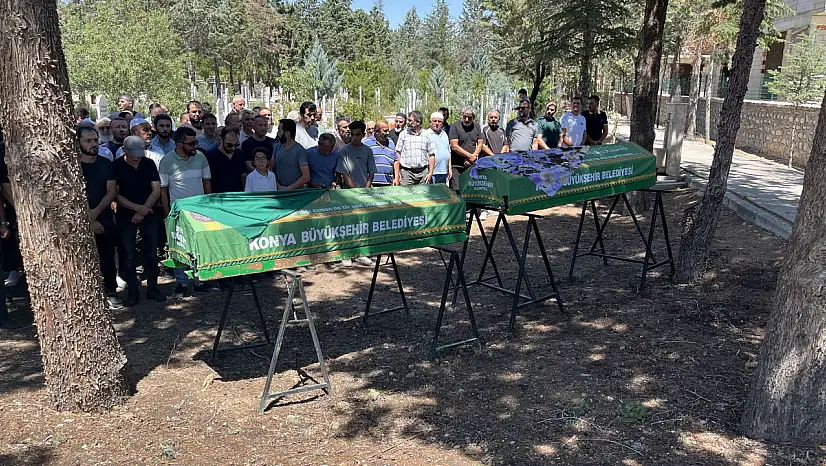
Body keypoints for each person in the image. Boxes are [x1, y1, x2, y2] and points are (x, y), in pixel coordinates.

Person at [159, 127, 216, 298]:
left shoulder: (200, 157)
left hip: (199, 211)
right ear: (178, 144)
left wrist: (209, 207)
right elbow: (163, 190)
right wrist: (167, 214)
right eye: (191, 144)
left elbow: (207, 182)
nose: (194, 147)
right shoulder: (167, 161)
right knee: (179, 246)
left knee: (199, 246)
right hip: (178, 211)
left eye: (195, 143)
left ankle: (200, 281)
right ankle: (181, 283)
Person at [113, 136, 166, 306]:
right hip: (126, 215)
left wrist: (143, 210)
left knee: (151, 253)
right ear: (125, 150)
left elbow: (156, 190)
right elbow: (115, 194)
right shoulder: (117, 166)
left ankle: (153, 288)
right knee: (128, 254)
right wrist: (138, 209)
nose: (137, 156)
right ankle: (133, 291)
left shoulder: (149, 164)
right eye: (133, 153)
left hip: (149, 213)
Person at [77, 126, 124, 310]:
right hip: (79, 219)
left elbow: (111, 191)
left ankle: (111, 292)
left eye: (95, 140)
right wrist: (89, 219)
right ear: (78, 142)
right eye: (88, 141)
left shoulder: (106, 163)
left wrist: (95, 214)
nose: (93, 144)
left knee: (107, 257)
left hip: (103, 218)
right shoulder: (73, 166)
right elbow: (74, 194)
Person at [335, 120, 375, 266]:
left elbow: (371, 171)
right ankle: (346, 253)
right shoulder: (344, 151)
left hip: (364, 192)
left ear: (363, 134)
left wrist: (367, 187)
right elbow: (344, 173)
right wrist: (354, 189)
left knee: (362, 222)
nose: (354, 138)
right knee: (348, 223)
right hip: (348, 193)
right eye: (352, 134)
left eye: (358, 135)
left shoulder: (367, 150)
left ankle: (361, 253)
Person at [394, 111, 435, 186]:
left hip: (423, 173)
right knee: (405, 196)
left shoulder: (427, 135)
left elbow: (431, 155)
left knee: (423, 196)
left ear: (418, 122)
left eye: (410, 120)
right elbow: (398, 154)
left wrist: (430, 173)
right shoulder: (403, 134)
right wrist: (398, 174)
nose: (407, 122)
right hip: (407, 174)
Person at [448, 106, 483, 190]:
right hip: (457, 165)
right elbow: (454, 146)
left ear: (473, 117)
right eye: (465, 117)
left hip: (472, 165)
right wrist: (469, 156)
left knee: (471, 190)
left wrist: (474, 156)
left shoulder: (477, 126)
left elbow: (480, 143)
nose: (466, 120)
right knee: (456, 190)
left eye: (469, 117)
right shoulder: (455, 126)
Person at [270, 119, 310, 190]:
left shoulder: (300, 150)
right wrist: (278, 185)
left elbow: (306, 176)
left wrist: (289, 188)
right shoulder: (278, 147)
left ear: (287, 133)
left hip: (296, 193)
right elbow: (271, 168)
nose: (277, 133)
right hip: (279, 191)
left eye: (279, 130)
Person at [205, 127, 246, 193]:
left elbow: (243, 176)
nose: (233, 148)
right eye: (229, 145)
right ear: (222, 140)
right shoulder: (210, 155)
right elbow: (207, 180)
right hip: (218, 196)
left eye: (236, 145)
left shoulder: (239, 154)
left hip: (237, 195)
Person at [363, 120, 397, 187]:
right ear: (377, 131)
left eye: (388, 130)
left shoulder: (391, 142)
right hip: (371, 184)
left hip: (388, 183)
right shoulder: (366, 143)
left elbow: (396, 160)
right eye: (385, 131)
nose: (387, 133)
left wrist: (396, 178)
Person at [423, 112, 450, 185]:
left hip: (444, 171)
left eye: (439, 121)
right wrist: (429, 172)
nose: (437, 123)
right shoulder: (426, 134)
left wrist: (449, 169)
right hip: (432, 172)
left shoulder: (444, 134)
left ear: (442, 123)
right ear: (430, 122)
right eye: (434, 121)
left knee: (442, 194)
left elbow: (448, 151)